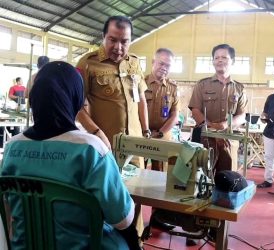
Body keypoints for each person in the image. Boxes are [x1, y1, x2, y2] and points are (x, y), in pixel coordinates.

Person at [1, 61, 139, 249]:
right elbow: (123, 219)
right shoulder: (91, 150)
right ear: (75, 100)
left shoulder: (12, 147)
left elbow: (9, 213)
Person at [76, 15, 149, 241]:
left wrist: (145, 132)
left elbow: (141, 100)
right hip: (105, 149)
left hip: (135, 146)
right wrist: (96, 133)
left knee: (136, 200)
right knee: (105, 200)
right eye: (112, 40)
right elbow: (76, 105)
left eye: (124, 41)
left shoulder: (134, 63)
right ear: (103, 37)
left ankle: (135, 242)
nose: (118, 47)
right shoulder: (87, 63)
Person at [188, 43, 248, 175]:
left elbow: (242, 115)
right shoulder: (202, 85)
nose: (220, 60)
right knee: (202, 176)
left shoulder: (239, 88)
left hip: (229, 141)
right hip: (205, 139)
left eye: (224, 57)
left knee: (227, 179)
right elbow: (195, 110)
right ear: (213, 61)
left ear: (232, 61)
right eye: (216, 58)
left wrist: (225, 125)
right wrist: (211, 127)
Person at [145, 48, 179, 171]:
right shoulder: (140, 83)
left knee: (159, 172)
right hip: (141, 135)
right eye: (161, 63)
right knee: (136, 168)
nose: (164, 67)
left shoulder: (173, 87)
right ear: (153, 62)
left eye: (168, 65)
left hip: (162, 135)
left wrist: (160, 133)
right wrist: (145, 132)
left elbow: (174, 115)